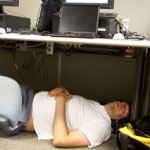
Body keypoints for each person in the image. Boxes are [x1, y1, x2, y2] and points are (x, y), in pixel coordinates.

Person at [26, 86, 130, 148]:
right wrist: (61, 89)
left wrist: (60, 100)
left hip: (26, 114)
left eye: (126, 109)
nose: (123, 104)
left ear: (119, 122)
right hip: (30, 94)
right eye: (124, 102)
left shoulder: (102, 127)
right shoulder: (97, 106)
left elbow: (61, 140)